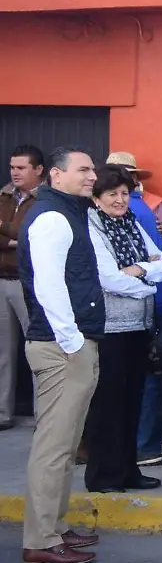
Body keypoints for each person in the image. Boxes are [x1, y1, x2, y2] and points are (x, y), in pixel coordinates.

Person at [18, 147, 103, 563]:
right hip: (61, 346)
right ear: (55, 174)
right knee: (54, 446)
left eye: (93, 169)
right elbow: (48, 286)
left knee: (66, 444)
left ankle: (55, 527)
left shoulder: (66, 213)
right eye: (84, 169)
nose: (92, 176)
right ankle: (41, 539)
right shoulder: (53, 218)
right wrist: (71, 343)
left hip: (66, 343)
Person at [80, 164, 162, 493]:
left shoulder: (132, 222)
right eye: (112, 194)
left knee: (133, 400)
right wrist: (147, 284)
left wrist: (139, 269)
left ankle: (128, 469)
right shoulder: (92, 227)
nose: (120, 200)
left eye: (124, 193)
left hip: (139, 326)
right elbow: (109, 278)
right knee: (109, 405)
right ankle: (104, 475)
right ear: (96, 198)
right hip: (110, 329)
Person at [0, 144, 45, 431]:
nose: (14, 173)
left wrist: (5, 231)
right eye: (12, 167)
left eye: (21, 167)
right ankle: (2, 412)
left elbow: (29, 235)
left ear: (38, 170)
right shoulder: (3, 196)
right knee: (3, 352)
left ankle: (43, 414)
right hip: (1, 281)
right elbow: (18, 236)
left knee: (38, 349)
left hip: (28, 283)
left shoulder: (44, 199)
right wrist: (12, 240)